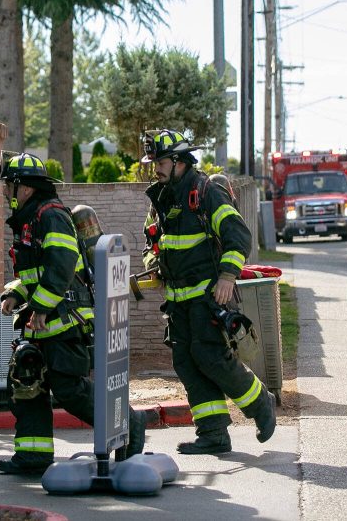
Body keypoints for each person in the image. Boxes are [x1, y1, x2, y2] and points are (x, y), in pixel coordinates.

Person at [0, 152, 146, 474]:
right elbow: (36, 275)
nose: (5, 192)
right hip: (42, 320)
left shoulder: (51, 216)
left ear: (23, 187)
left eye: (8, 185)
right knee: (28, 385)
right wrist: (15, 293)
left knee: (69, 390)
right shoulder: (29, 220)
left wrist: (40, 306)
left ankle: (129, 423)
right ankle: (33, 457)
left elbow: (63, 267)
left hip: (64, 320)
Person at [142, 130, 277, 455]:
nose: (155, 168)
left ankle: (260, 403)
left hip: (207, 297)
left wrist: (228, 276)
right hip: (177, 303)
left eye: (159, 162)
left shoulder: (205, 191)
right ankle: (213, 433)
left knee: (211, 358)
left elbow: (237, 233)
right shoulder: (161, 197)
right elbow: (151, 242)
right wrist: (154, 262)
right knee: (188, 363)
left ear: (178, 161)